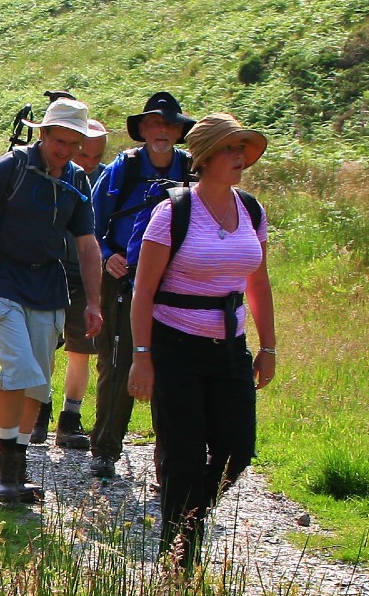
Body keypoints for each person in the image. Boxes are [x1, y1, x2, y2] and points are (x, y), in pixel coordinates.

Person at [126, 112, 278, 570]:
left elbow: (259, 283)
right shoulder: (173, 212)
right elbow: (143, 291)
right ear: (208, 157)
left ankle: (186, 526)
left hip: (230, 349)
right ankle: (179, 562)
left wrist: (268, 347)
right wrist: (142, 357)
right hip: (175, 346)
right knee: (184, 456)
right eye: (231, 150)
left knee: (237, 450)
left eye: (243, 150)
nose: (240, 158)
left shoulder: (252, 210)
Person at [0, 97, 105, 505]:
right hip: (1, 279)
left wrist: (94, 303)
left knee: (38, 386)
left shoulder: (77, 181)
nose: (64, 150)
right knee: (19, 368)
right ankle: (5, 472)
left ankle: (15, 472)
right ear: (44, 134)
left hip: (49, 286)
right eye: (59, 140)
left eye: (73, 143)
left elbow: (88, 247)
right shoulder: (10, 167)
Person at [86, 91, 195, 479]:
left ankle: (169, 459)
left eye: (168, 124)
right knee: (117, 362)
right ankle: (105, 449)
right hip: (122, 277)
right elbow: (91, 221)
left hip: (174, 283)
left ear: (180, 131)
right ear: (143, 130)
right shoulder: (122, 169)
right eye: (153, 123)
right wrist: (106, 254)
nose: (161, 131)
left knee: (173, 367)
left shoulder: (192, 170)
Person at [36, 120, 113, 449]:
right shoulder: (49, 173)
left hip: (87, 274)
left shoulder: (109, 178)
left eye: (97, 156)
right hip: (53, 270)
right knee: (45, 345)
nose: (90, 162)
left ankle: (70, 418)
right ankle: (40, 409)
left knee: (82, 349)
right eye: (85, 154)